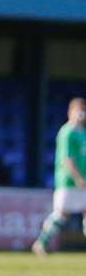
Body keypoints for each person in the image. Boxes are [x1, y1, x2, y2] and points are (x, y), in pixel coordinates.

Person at [32, 97, 86, 256]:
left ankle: (41, 243)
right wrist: (78, 178)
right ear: (70, 112)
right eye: (78, 110)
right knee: (61, 214)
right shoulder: (67, 132)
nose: (82, 114)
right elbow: (66, 159)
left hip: (83, 181)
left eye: (84, 110)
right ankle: (41, 242)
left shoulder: (83, 133)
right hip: (69, 182)